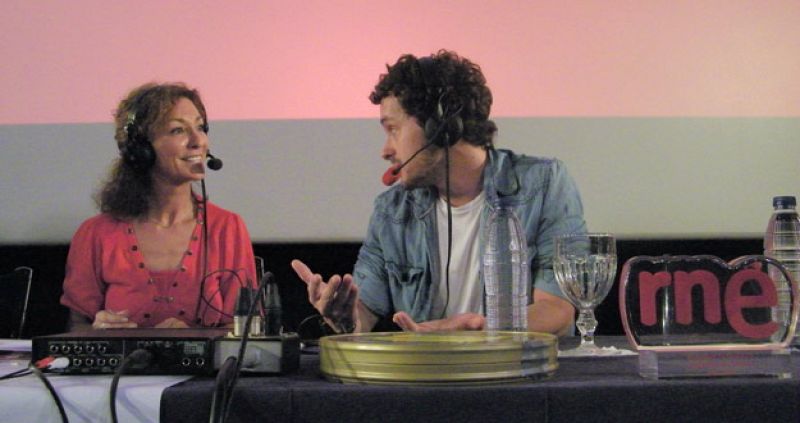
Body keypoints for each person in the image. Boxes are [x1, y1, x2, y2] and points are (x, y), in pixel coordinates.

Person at [292, 50, 586, 336]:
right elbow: (362, 315)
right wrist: (343, 318)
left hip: (515, 375)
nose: (385, 150)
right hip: (426, 380)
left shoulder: (544, 184)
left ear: (439, 126)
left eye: (393, 129)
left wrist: (479, 328)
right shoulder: (392, 211)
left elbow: (557, 310)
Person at [61, 82, 257, 330]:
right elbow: (75, 328)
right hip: (122, 370)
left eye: (200, 127)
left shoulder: (227, 227)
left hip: (204, 371)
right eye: (178, 130)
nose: (198, 141)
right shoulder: (96, 233)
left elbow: (248, 331)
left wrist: (192, 340)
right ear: (141, 149)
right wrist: (97, 333)